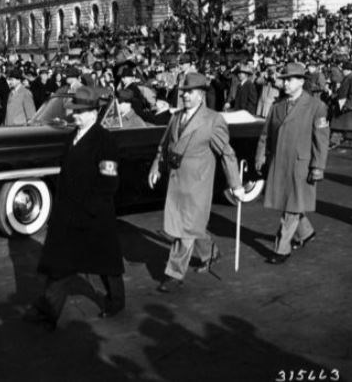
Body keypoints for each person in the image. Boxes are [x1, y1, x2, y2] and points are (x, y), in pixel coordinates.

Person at [23, 86, 125, 329]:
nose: (74, 116)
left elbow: (109, 181)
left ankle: (117, 302)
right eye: (74, 111)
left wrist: (89, 208)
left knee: (106, 264)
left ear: (93, 113)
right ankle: (48, 310)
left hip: (94, 215)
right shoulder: (73, 136)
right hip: (69, 214)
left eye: (79, 112)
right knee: (60, 264)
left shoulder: (105, 141)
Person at [148, 73, 245, 292]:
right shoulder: (176, 117)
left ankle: (173, 273)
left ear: (202, 95)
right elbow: (165, 146)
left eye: (190, 92)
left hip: (198, 185)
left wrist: (236, 184)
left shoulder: (213, 120)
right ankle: (210, 252)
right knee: (191, 225)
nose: (185, 96)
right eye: (183, 92)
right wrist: (156, 166)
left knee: (183, 231)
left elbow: (227, 153)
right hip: (176, 181)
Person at [255, 62, 329, 264]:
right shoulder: (277, 106)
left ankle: (281, 249)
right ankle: (305, 232)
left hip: (301, 166)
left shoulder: (316, 106)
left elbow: (321, 140)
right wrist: (260, 157)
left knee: (290, 208)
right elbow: (265, 135)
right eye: (284, 79)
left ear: (301, 82)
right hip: (279, 163)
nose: (285, 83)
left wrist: (318, 167)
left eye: (289, 80)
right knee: (290, 203)